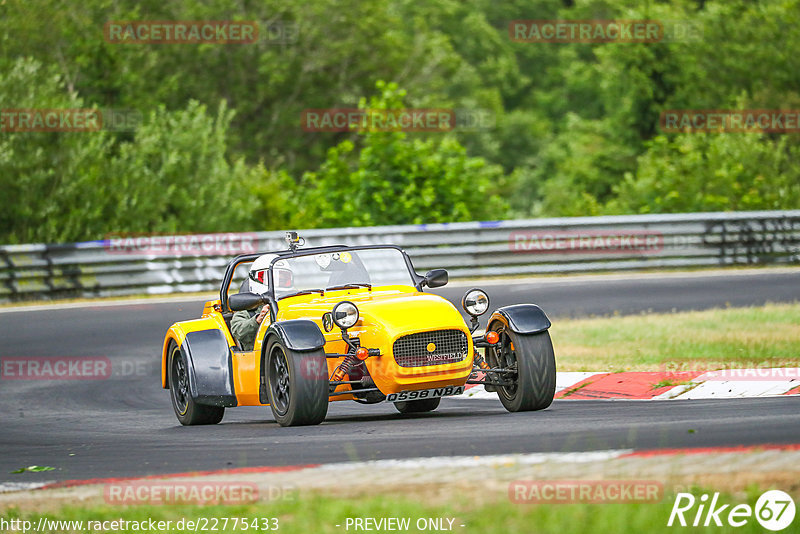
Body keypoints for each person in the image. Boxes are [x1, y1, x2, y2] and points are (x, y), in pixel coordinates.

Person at [230, 255, 292, 350]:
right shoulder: (248, 308)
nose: (278, 283)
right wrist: (257, 320)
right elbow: (237, 330)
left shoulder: (293, 302)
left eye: (283, 279)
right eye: (272, 279)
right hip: (258, 357)